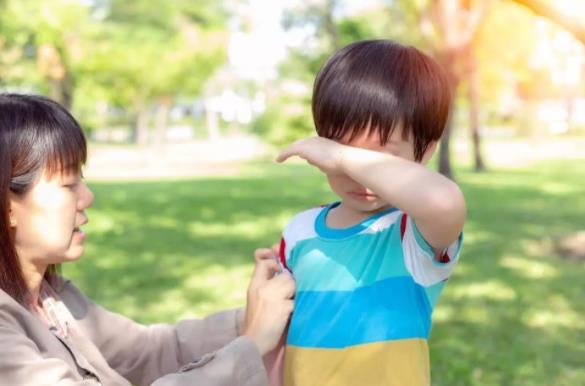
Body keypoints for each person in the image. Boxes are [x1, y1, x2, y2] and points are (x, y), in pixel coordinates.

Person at [0, 93, 295, 386]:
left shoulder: (52, 299)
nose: (87, 198)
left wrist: (258, 316)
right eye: (68, 185)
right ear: (8, 206)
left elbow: (150, 351)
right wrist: (251, 346)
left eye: (83, 180)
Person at [274, 40, 466, 386]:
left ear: (425, 153)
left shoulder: (413, 234)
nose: (355, 174)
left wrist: (342, 157)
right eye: (342, 148)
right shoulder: (300, 231)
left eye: (378, 160)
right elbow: (278, 333)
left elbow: (445, 202)